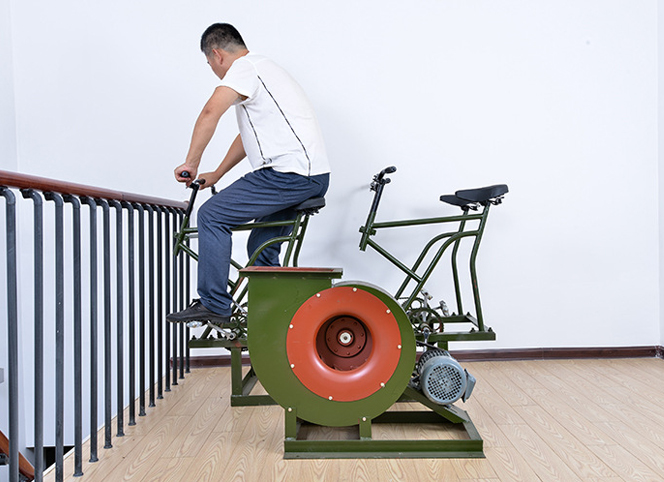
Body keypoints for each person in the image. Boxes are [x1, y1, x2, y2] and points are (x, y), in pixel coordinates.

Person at [167, 23, 330, 324]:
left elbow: (210, 112)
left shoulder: (244, 68)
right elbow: (247, 138)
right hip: (309, 176)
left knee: (212, 215)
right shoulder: (265, 70)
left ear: (217, 54)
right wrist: (217, 173)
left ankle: (214, 304)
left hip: (289, 175)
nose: (213, 70)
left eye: (209, 63)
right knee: (261, 249)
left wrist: (190, 163)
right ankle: (275, 322)